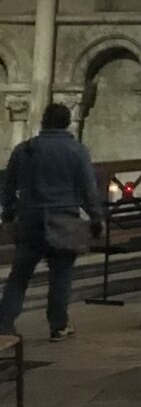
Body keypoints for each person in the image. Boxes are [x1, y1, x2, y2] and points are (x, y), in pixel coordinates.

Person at [0, 103, 104, 340]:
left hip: (30, 219)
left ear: (43, 122)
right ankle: (58, 325)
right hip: (64, 220)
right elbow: (88, 189)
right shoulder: (77, 151)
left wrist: (8, 215)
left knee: (20, 275)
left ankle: (4, 323)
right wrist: (97, 217)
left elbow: (8, 186)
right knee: (61, 275)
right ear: (67, 122)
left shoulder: (24, 150)